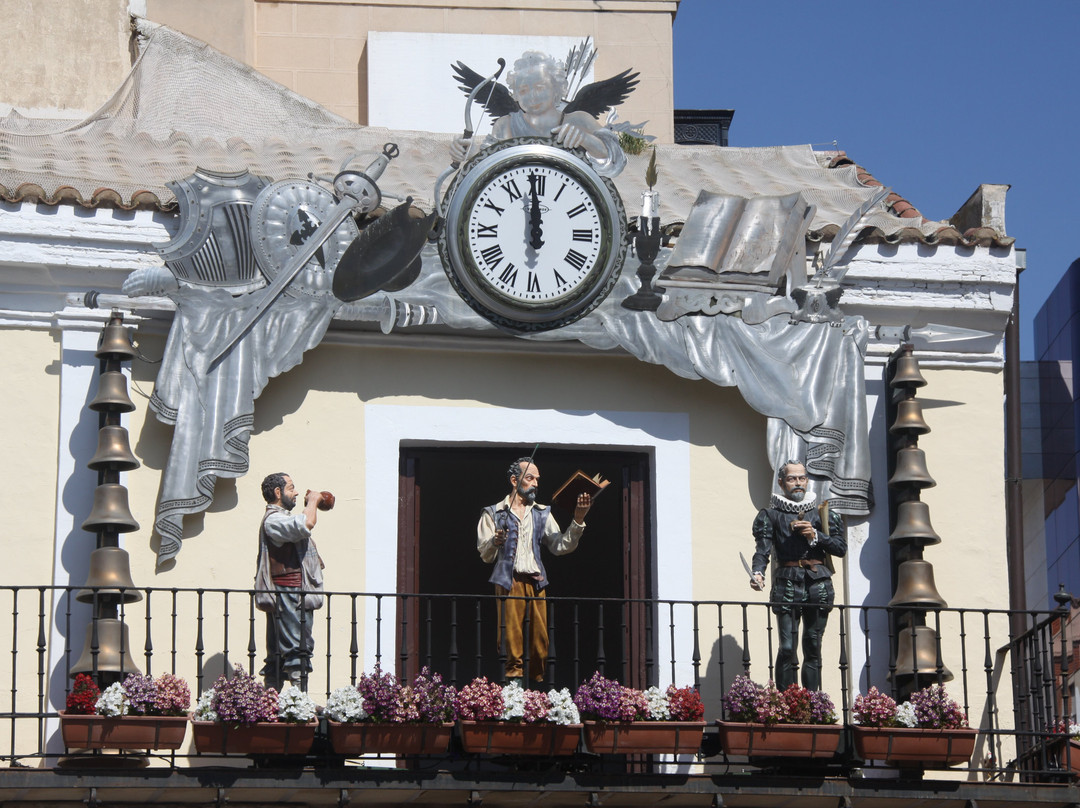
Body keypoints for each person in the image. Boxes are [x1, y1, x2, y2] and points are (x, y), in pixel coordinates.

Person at [477, 457, 592, 683]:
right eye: (529, 478)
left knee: (540, 642)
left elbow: (560, 545)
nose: (535, 484)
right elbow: (485, 554)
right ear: (514, 480)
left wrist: (578, 519)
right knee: (511, 641)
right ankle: (515, 691)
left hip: (536, 582)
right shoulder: (494, 512)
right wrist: (495, 542)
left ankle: (534, 692)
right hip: (509, 582)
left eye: (537, 479)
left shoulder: (541, 513)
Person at [450, 51, 626, 177]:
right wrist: (469, 152)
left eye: (540, 87)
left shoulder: (579, 120)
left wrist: (585, 139)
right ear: (516, 95)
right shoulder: (506, 125)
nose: (532, 96)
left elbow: (615, 160)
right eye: (524, 90)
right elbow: (490, 160)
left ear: (556, 88)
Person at [749, 461, 845, 692]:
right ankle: (786, 702)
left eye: (802, 478)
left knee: (813, 645)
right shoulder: (770, 515)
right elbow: (762, 550)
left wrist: (817, 536)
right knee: (787, 646)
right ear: (781, 483)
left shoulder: (824, 513)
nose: (798, 483)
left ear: (807, 481)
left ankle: (812, 703)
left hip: (818, 584)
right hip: (787, 583)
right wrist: (758, 573)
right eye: (792, 479)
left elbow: (840, 548)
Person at [255, 472, 326, 691]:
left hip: (293, 591)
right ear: (278, 492)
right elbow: (306, 524)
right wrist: (314, 500)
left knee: (280, 650)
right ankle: (299, 701)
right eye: (291, 488)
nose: (295, 492)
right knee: (297, 648)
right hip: (289, 592)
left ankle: (271, 700)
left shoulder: (281, 518)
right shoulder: (274, 520)